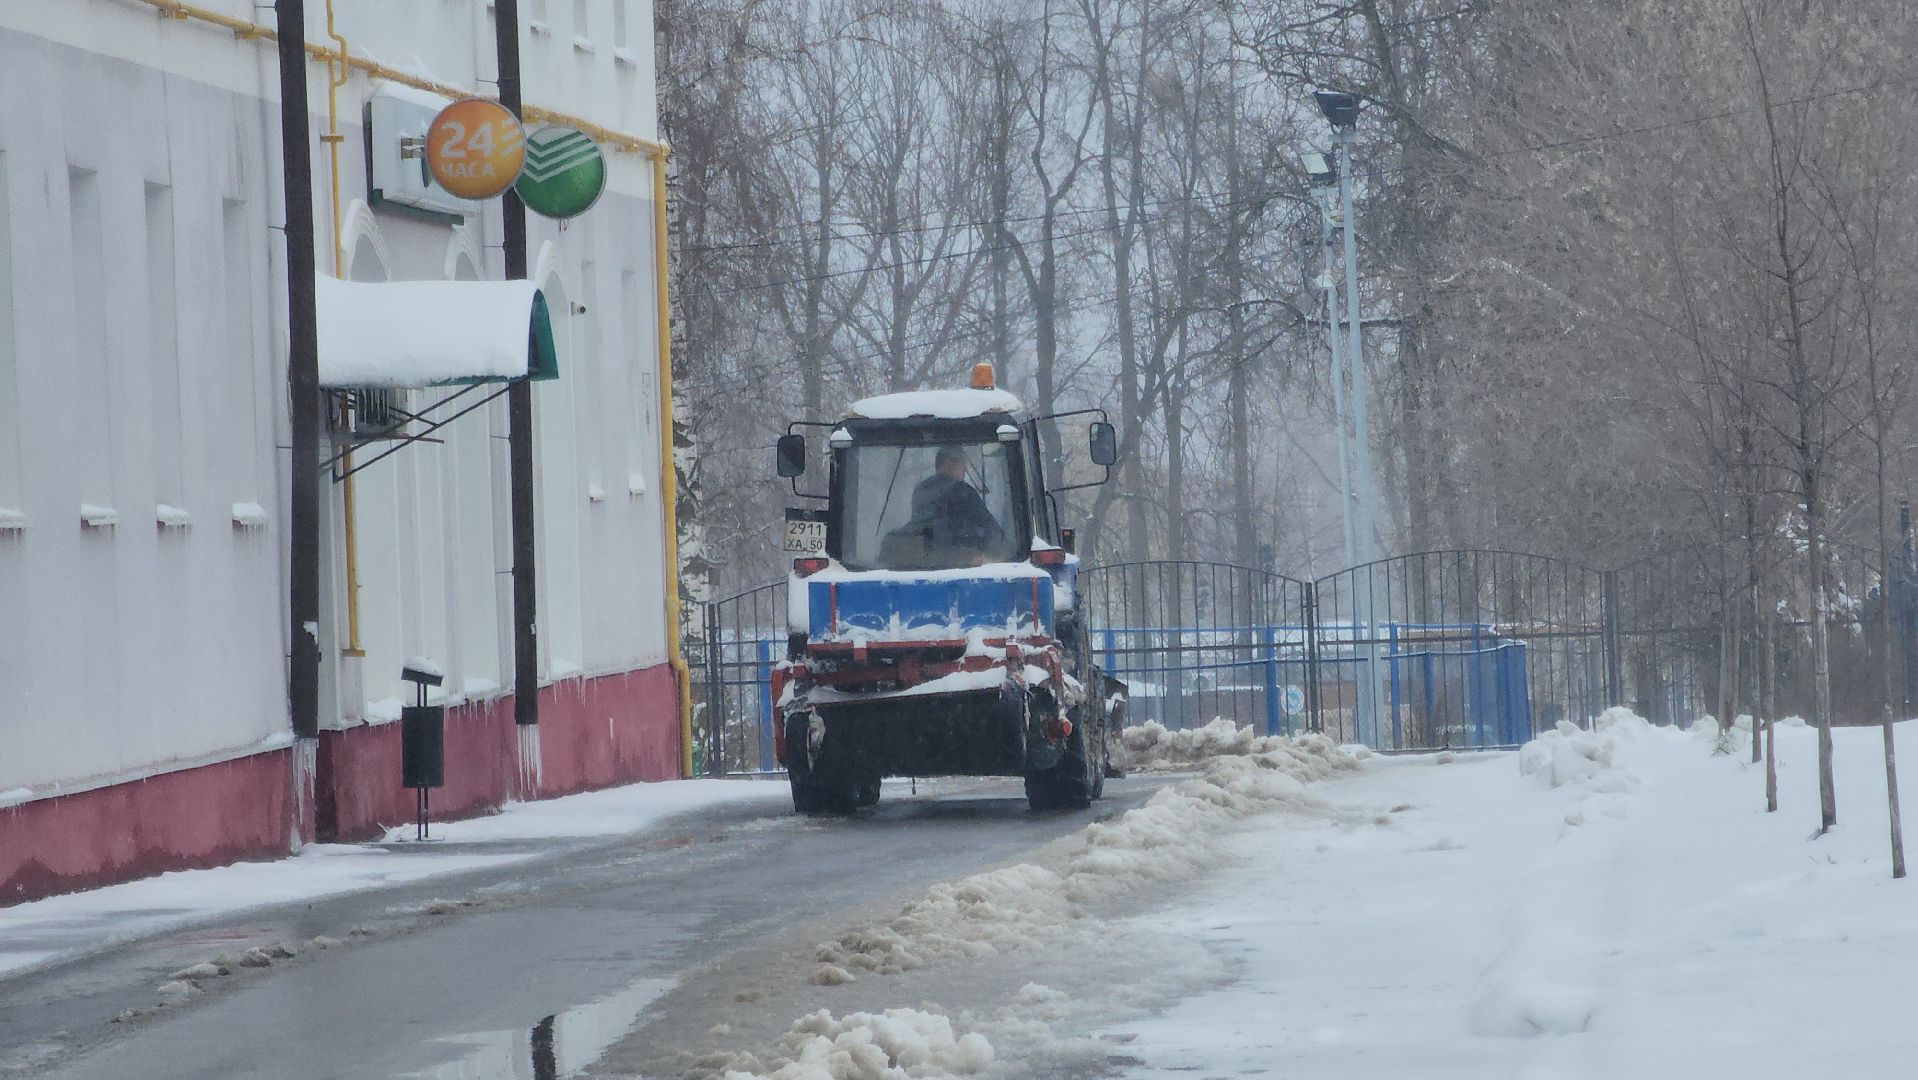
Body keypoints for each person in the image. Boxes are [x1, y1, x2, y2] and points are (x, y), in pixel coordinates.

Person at [907, 445, 1004, 561]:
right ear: (950, 463)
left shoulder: (921, 490)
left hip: (928, 560)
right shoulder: (962, 491)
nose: (965, 470)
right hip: (964, 560)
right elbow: (991, 530)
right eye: (963, 464)